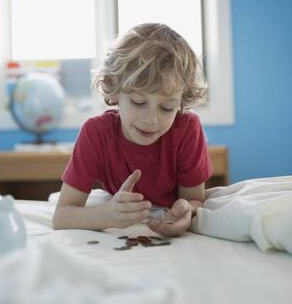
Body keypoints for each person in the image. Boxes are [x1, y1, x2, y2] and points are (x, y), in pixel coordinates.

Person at [53, 23, 212, 236]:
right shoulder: (96, 134)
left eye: (167, 107)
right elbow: (62, 216)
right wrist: (106, 215)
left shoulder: (187, 129)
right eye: (138, 102)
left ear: (182, 103)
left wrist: (187, 211)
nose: (151, 120)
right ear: (115, 90)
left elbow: (195, 201)